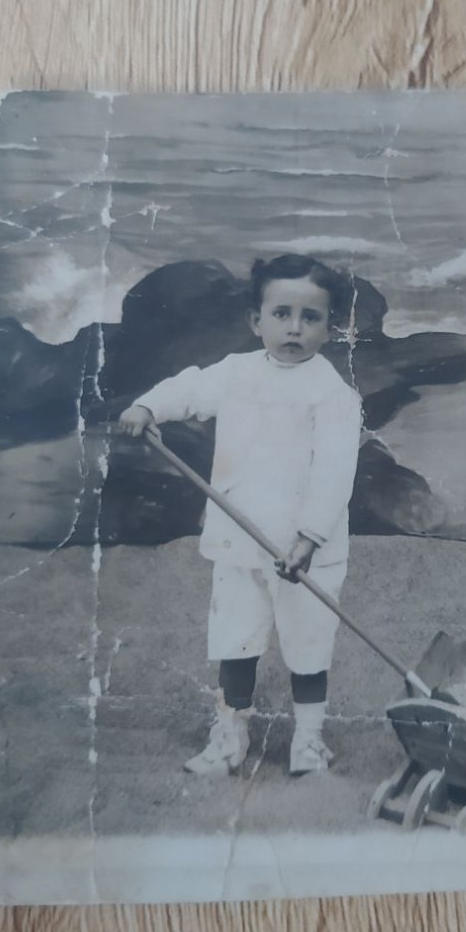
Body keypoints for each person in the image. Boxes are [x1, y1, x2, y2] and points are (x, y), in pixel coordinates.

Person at [117, 254, 363, 777]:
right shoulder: (235, 373)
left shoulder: (334, 396)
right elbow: (187, 389)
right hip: (239, 539)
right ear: (256, 321)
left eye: (310, 317)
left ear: (329, 327)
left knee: (308, 644)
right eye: (281, 314)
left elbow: (334, 474)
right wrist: (147, 407)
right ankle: (230, 736)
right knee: (235, 640)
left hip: (305, 552)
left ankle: (309, 741)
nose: (294, 327)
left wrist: (310, 537)